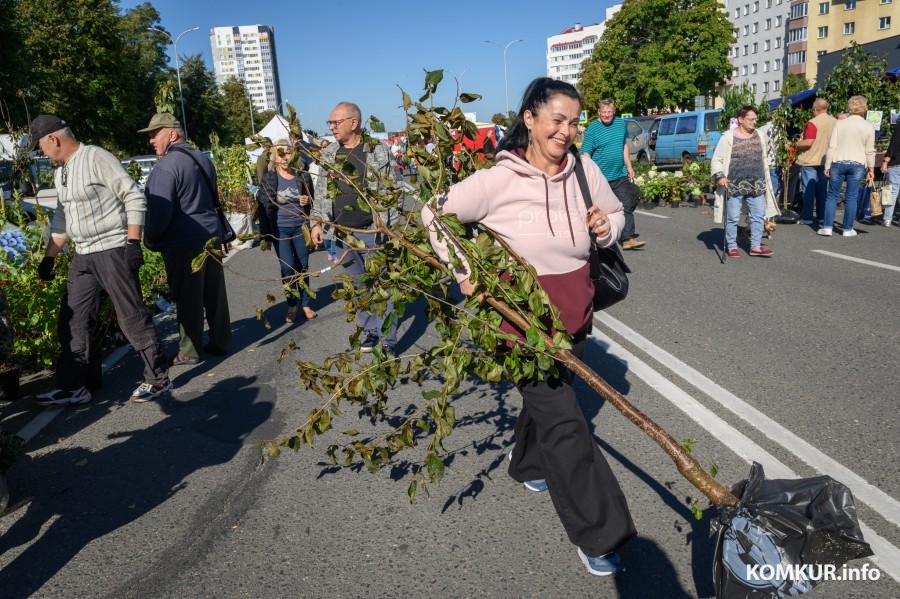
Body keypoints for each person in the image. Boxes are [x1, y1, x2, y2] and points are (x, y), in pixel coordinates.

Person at [422, 78, 635, 577]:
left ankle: (527, 464)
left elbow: (618, 212)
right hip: (521, 325)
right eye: (557, 119)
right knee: (565, 422)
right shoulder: (500, 179)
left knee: (554, 398)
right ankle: (600, 532)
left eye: (573, 121)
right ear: (531, 118)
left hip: (576, 312)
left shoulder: (582, 170)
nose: (566, 130)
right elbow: (435, 214)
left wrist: (608, 227)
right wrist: (465, 270)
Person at [29, 115, 171, 405]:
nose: (42, 152)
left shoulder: (96, 157)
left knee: (130, 315)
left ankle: (158, 378)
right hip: (83, 254)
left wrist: (133, 242)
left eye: (41, 146)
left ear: (53, 140)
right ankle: (73, 386)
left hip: (112, 249)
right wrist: (48, 258)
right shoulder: (61, 172)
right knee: (73, 318)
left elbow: (133, 197)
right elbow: (62, 217)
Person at [139, 113, 232, 366]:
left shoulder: (167, 166)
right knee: (214, 293)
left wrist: (151, 239)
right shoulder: (201, 158)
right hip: (210, 235)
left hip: (183, 241)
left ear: (172, 133)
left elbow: (159, 210)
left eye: (154, 134)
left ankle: (189, 350)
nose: (151, 140)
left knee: (188, 296)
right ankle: (221, 340)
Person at [310, 102, 401, 353]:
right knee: (358, 287)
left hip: (374, 234)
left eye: (335, 122)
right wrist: (316, 222)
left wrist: (388, 228)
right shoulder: (329, 154)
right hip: (342, 236)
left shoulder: (377, 151)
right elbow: (321, 193)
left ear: (354, 123)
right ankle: (370, 331)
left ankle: (388, 339)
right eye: (330, 123)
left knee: (382, 287)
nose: (331, 127)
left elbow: (395, 189)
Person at [256, 139, 317, 323]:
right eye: (280, 153)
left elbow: (314, 202)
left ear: (294, 155)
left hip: (300, 227)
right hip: (280, 229)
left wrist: (308, 201)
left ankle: (305, 303)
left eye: (288, 153)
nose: (284, 157)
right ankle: (292, 304)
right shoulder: (270, 178)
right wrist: (265, 235)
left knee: (303, 266)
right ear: (274, 156)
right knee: (287, 267)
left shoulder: (302, 176)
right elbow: (263, 207)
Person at [710, 105, 779, 257]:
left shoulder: (760, 135)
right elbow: (717, 160)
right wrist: (720, 176)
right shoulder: (728, 137)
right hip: (734, 184)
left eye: (755, 119)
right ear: (740, 119)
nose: (754, 122)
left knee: (758, 216)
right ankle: (732, 246)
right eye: (751, 119)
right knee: (733, 217)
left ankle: (755, 246)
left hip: (757, 184)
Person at [581, 98, 645, 250]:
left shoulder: (620, 124)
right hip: (601, 178)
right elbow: (586, 153)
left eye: (609, 112)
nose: (607, 115)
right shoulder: (593, 129)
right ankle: (597, 237)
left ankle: (627, 238)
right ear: (599, 112)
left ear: (614, 111)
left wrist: (629, 166)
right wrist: (589, 175)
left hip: (619, 174)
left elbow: (624, 146)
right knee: (600, 209)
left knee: (626, 204)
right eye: (603, 112)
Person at [821, 96, 876, 237]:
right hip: (857, 164)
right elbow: (869, 151)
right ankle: (847, 229)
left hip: (838, 162)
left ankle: (827, 227)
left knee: (832, 195)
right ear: (864, 108)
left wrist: (827, 165)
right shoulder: (869, 126)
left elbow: (831, 146)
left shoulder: (840, 124)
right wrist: (871, 169)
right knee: (852, 197)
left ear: (849, 107)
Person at [794, 99, 837, 227]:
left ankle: (807, 217)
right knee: (822, 189)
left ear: (814, 109)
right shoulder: (835, 122)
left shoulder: (813, 122)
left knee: (808, 190)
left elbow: (808, 142)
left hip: (810, 160)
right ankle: (822, 217)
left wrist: (793, 144)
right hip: (826, 160)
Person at [880, 122, 900, 226]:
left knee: (893, 192)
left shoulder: (898, 127)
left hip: (897, 163)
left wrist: (885, 161)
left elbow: (893, 146)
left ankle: (887, 219)